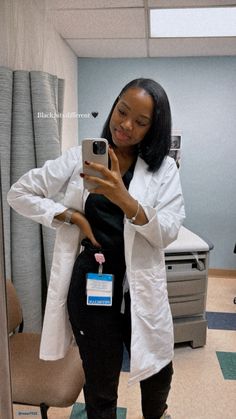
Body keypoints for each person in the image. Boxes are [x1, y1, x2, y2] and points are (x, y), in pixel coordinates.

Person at [7, 78, 185, 419]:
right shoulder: (81, 159)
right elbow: (19, 192)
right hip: (93, 288)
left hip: (141, 291)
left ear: (153, 128)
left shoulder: (164, 170)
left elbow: (169, 230)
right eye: (122, 111)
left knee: (158, 371)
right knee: (101, 384)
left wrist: (124, 198)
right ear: (114, 106)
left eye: (141, 122)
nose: (126, 125)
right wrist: (69, 215)